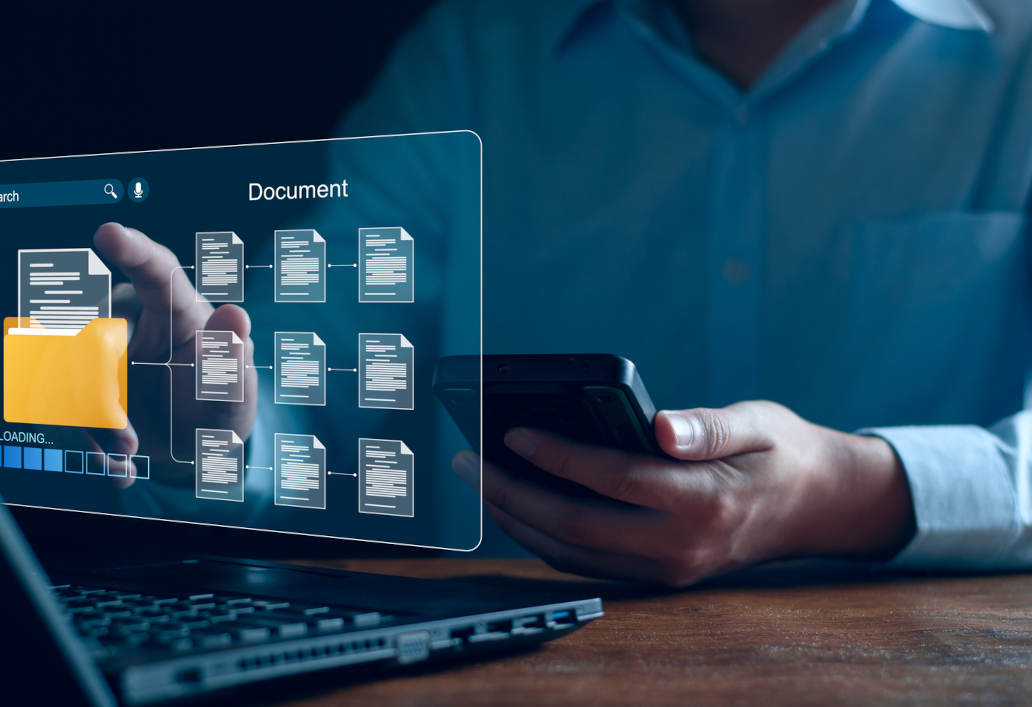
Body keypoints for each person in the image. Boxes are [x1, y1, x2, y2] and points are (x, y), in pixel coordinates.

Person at [95, 0, 1032, 584]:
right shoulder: (475, 52)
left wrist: (848, 490)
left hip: (924, 688)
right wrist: (222, 427)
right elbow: (317, 371)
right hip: (521, 689)